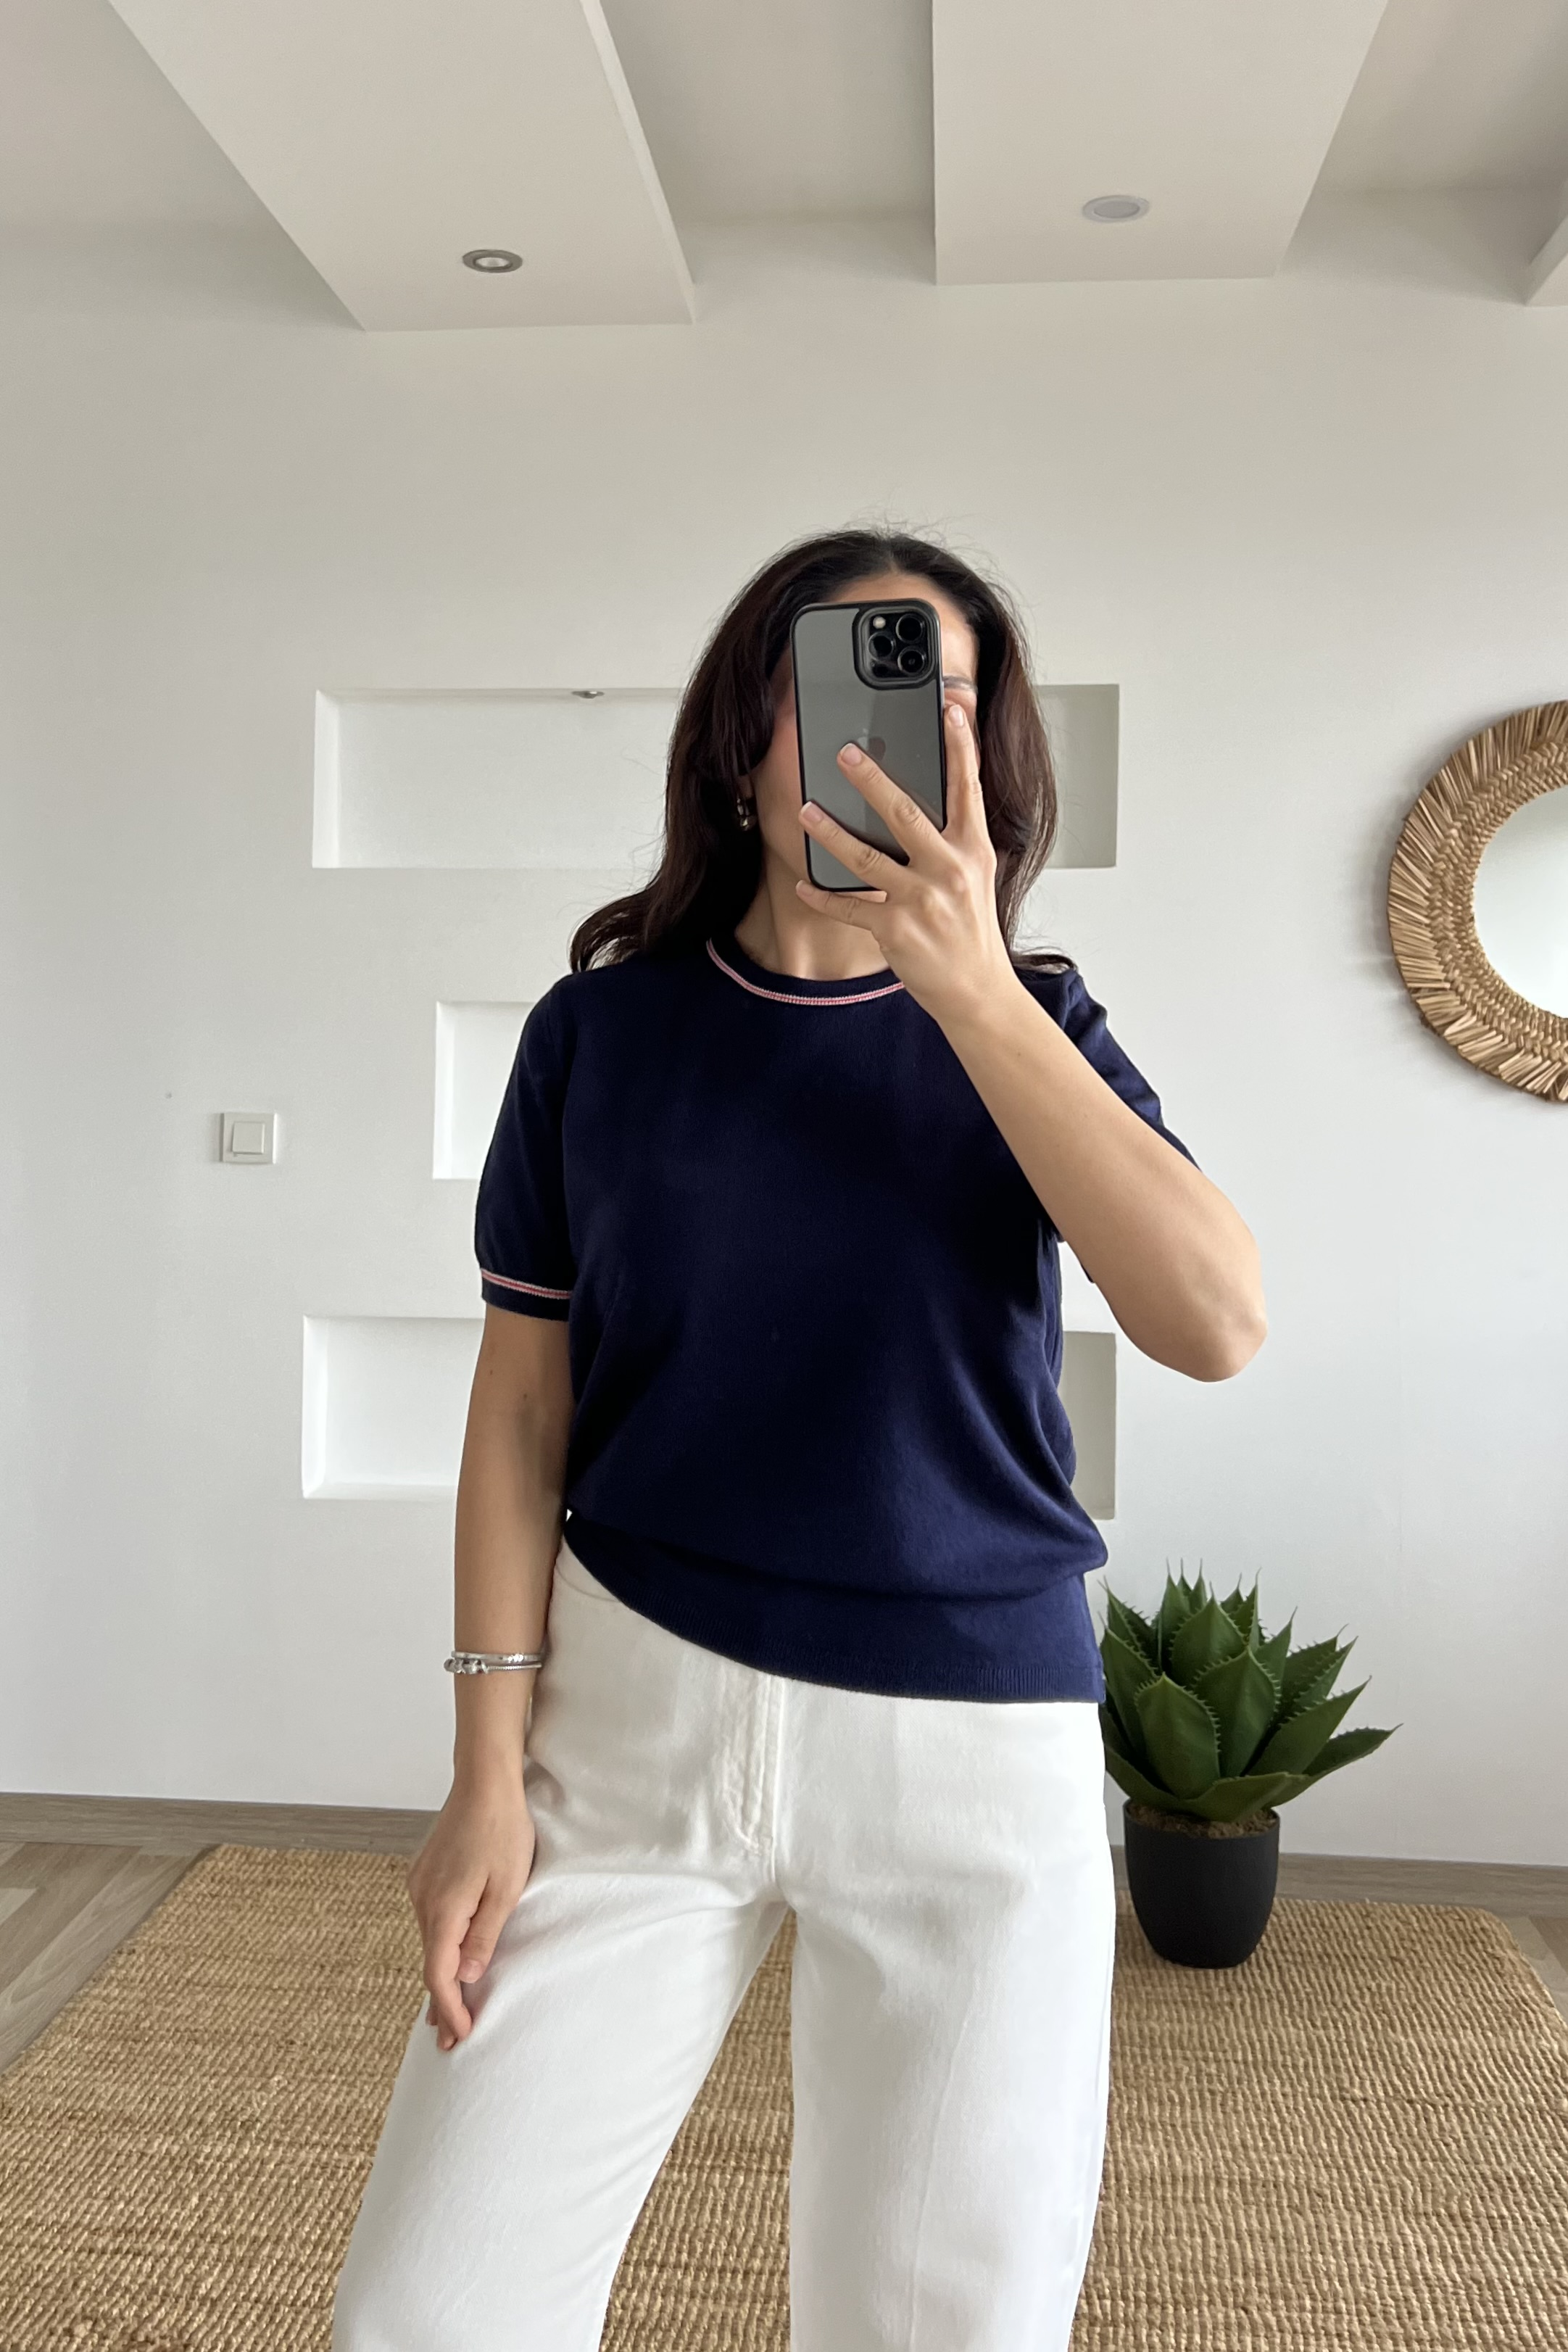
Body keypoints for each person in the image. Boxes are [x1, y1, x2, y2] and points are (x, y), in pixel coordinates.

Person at [331, 526, 1266, 2352]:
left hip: (971, 1755)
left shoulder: (1036, 1024)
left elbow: (1213, 1320)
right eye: (839, 686)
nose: (890, 740)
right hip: (629, 1724)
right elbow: (520, 1408)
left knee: (940, 2325)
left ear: (990, 759)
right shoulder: (598, 1034)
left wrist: (970, 985)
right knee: (430, 2309)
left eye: (947, 702)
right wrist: (482, 1767)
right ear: (739, 737)